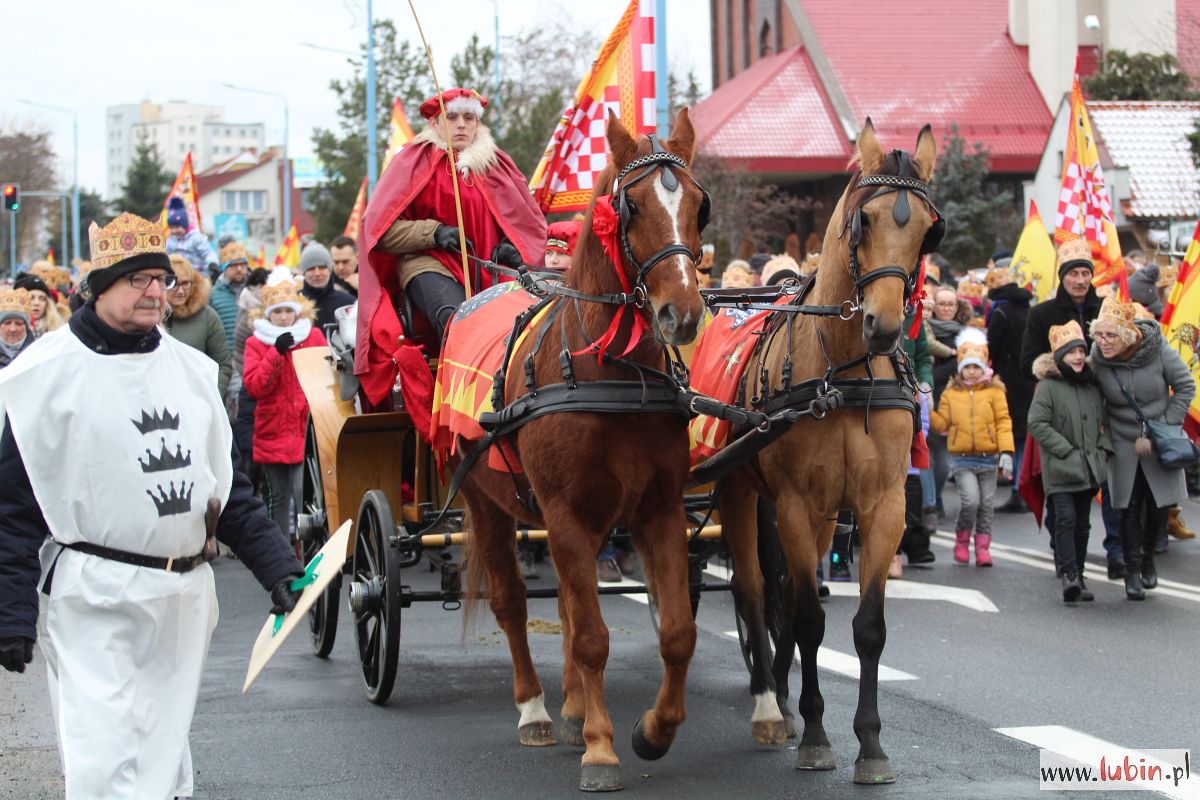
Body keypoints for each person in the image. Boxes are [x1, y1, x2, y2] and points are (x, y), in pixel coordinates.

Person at [0, 212, 304, 799]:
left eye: (159, 278)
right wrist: (11, 613)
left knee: (162, 759)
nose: (154, 290)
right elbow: (14, 505)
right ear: (99, 286)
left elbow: (227, 490)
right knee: (101, 757)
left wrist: (280, 569)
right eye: (137, 278)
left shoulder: (191, 372)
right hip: (95, 595)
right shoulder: (46, 374)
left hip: (182, 598)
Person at [365, 87, 547, 345]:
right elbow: (380, 233)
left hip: (488, 267)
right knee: (459, 321)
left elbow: (526, 225)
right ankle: (460, 383)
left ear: (477, 123)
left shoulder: (498, 166)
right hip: (430, 264)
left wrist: (512, 246)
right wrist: (434, 233)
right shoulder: (409, 163)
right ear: (435, 122)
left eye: (468, 118)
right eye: (452, 117)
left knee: (531, 316)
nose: (461, 124)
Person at [1018, 238, 1124, 577]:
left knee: (1109, 483)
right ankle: (1064, 551)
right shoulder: (1042, 314)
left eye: (1084, 273)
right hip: (1060, 408)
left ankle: (1117, 552)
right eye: (1073, 273)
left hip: (1102, 407)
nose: (1080, 280)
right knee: (1062, 491)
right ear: (1063, 277)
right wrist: (1065, 365)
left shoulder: (1107, 308)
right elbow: (1026, 363)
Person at [1089, 296, 1196, 600]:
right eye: (1099, 334)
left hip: (1160, 435)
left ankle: (1149, 556)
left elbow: (1186, 386)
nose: (1103, 341)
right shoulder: (1099, 358)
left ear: (1127, 335)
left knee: (1159, 505)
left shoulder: (1158, 349)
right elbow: (1088, 390)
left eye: (1110, 335)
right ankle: (1132, 570)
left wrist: (1165, 425)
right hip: (1121, 439)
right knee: (1127, 506)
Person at [1028, 321, 1110, 602]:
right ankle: (1068, 575)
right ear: (1059, 356)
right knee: (1065, 518)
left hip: (1088, 468)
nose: (1077, 357)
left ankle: (1080, 574)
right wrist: (1065, 450)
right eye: (1071, 352)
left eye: (1080, 352)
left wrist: (1101, 451)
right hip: (1061, 467)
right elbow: (1036, 423)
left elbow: (1104, 422)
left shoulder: (1091, 386)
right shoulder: (1049, 386)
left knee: (1083, 525)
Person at [243, 269, 328, 538]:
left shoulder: (312, 336)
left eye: (287, 311)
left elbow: (326, 377)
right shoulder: (256, 343)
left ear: (297, 312)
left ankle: (310, 553)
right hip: (273, 430)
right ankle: (280, 552)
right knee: (278, 500)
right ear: (269, 314)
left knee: (307, 499)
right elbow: (255, 386)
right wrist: (275, 353)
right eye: (277, 312)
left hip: (305, 430)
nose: (283, 317)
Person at [929, 329, 1015, 567]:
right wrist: (927, 409)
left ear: (984, 368)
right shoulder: (950, 394)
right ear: (960, 368)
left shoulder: (995, 392)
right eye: (967, 367)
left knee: (987, 506)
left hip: (989, 459)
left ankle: (983, 547)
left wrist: (1007, 452)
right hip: (962, 459)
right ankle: (962, 538)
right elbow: (942, 424)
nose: (972, 371)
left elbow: (1003, 422)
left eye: (976, 367)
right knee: (971, 502)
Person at [985, 264, 1034, 512]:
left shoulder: (1000, 313)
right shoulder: (1029, 311)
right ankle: (1022, 488)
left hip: (1008, 378)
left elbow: (992, 348)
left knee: (1011, 433)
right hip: (1028, 378)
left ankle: (1017, 490)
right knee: (1024, 435)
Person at [928, 286, 974, 515]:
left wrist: (944, 368)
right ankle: (932, 501)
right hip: (930, 398)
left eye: (950, 304)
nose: (946, 308)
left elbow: (966, 367)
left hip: (954, 399)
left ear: (957, 308)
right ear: (934, 306)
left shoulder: (965, 335)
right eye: (942, 303)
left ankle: (935, 497)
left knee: (944, 461)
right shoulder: (926, 329)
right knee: (929, 455)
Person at [164, 254, 232, 398]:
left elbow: (223, 365)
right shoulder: (152, 318)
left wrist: (211, 400)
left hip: (199, 400)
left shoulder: (208, 317)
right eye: (174, 284)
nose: (181, 291)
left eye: (185, 283)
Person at [299, 241, 356, 332]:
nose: (317, 273)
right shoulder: (294, 304)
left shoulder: (349, 303)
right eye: (311, 268)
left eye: (322, 267)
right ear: (304, 272)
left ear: (330, 269)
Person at [210, 240, 252, 353]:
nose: (239, 269)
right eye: (233, 265)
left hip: (253, 358)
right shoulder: (213, 294)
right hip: (226, 357)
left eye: (242, 264)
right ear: (224, 268)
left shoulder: (255, 291)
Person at [165, 197, 218, 274]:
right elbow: (166, 255)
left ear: (185, 225)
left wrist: (212, 263)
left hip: (197, 274)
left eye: (177, 227)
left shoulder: (196, 238)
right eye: (171, 228)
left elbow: (208, 253)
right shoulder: (170, 241)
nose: (174, 231)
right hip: (177, 274)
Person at [0, 288, 36, 367]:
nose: (13, 329)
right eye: (7, 323)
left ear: (27, 326)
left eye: (19, 323)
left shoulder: (38, 352)